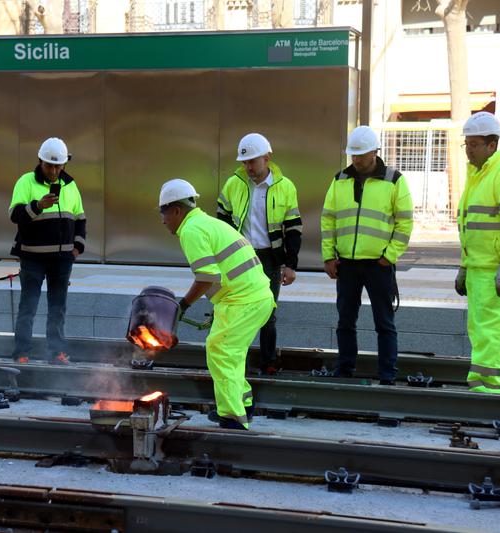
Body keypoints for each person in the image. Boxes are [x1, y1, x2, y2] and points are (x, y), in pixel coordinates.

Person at [160, 178, 274, 430]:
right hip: (251, 297)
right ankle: (243, 405)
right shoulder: (206, 222)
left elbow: (206, 277)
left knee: (220, 350)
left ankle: (232, 418)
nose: (163, 220)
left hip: (243, 300)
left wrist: (183, 305)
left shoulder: (191, 230)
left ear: (176, 210)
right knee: (232, 354)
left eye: (164, 213)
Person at [320, 126, 413, 384]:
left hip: (378, 264)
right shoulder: (339, 180)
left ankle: (387, 375)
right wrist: (328, 256)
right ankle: (345, 369)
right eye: (353, 155)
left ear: (375, 152)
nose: (356, 159)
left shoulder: (394, 180)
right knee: (345, 320)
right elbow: (328, 219)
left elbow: (404, 223)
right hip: (346, 264)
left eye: (360, 154)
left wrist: (389, 255)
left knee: (384, 322)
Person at [455, 112, 500, 394]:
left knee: (490, 330)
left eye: (473, 144)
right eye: (466, 144)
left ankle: (487, 393)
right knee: (482, 330)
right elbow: (470, 226)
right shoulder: (478, 176)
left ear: (491, 145)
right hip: (480, 267)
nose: (468, 149)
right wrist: (464, 265)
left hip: (496, 267)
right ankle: (495, 387)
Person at [216, 133, 302, 375]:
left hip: (269, 258)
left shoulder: (285, 187)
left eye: (252, 161)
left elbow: (293, 229)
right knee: (236, 312)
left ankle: (268, 363)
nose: (248, 167)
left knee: (268, 312)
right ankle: (236, 363)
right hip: (239, 257)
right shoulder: (234, 183)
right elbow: (221, 221)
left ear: (267, 158)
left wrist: (290, 264)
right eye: (244, 162)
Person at [9, 137, 86, 364]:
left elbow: (80, 218)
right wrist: (37, 206)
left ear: (64, 164)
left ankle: (56, 352)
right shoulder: (26, 182)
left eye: (57, 166)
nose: (53, 170)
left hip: (62, 260)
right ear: (40, 161)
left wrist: (77, 247)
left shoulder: (70, 186)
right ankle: (22, 352)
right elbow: (15, 215)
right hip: (32, 257)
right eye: (49, 165)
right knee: (28, 306)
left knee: (57, 308)